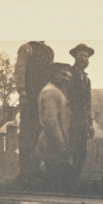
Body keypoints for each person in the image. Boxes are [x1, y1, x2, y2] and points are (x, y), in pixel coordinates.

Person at [14, 40, 55, 184]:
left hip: (42, 100)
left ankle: (35, 168)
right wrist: (23, 94)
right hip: (29, 99)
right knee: (27, 133)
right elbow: (20, 71)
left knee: (40, 133)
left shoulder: (49, 51)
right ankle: (26, 171)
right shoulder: (27, 48)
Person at [35, 63, 75, 191]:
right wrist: (62, 146)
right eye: (63, 74)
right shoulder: (51, 92)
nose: (66, 78)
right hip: (53, 145)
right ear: (53, 74)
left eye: (68, 75)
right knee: (56, 185)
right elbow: (51, 121)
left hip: (57, 145)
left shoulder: (57, 92)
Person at [65, 43, 94, 182]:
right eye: (81, 55)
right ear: (75, 56)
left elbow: (88, 104)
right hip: (70, 121)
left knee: (80, 154)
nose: (84, 58)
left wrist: (90, 124)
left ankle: (74, 183)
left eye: (86, 56)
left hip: (82, 123)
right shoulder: (68, 75)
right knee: (67, 152)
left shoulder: (87, 80)